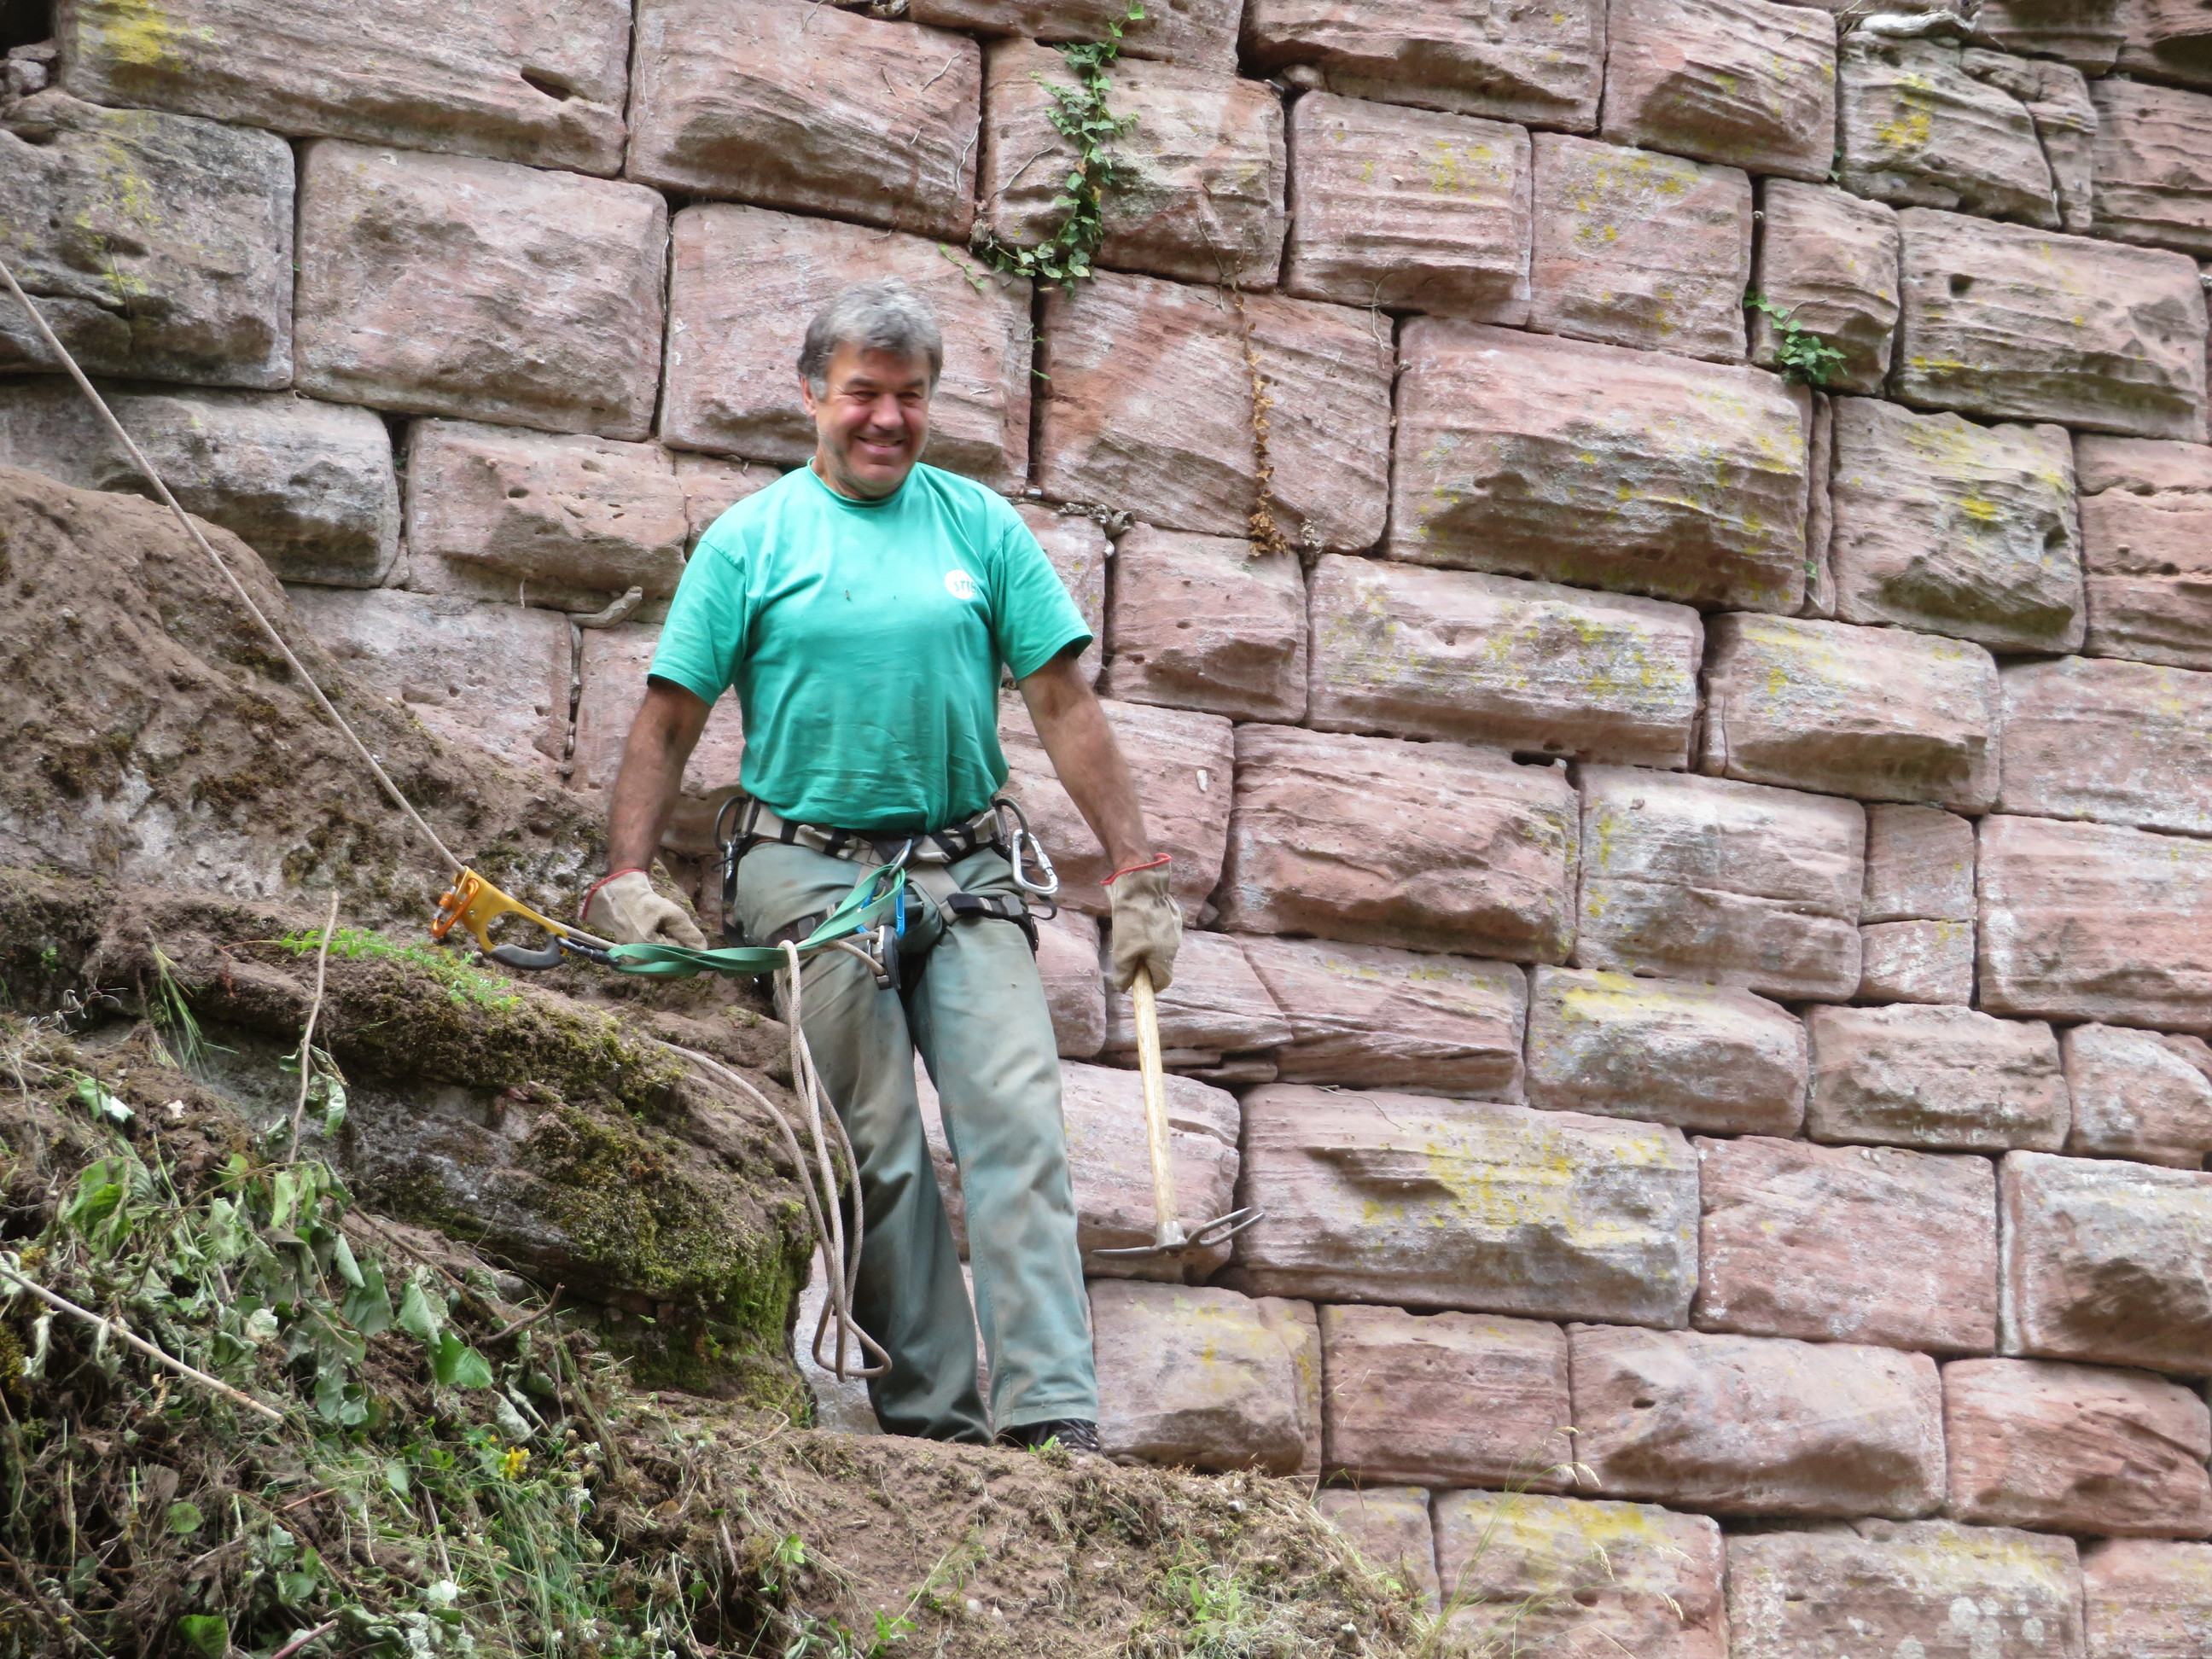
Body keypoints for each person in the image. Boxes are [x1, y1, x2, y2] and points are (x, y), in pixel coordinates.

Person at [584, 279, 1180, 1452]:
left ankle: (1053, 1417)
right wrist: (626, 877)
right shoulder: (752, 541)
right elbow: (668, 719)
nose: (888, 419)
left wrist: (1138, 868)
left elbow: (1063, 702)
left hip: (966, 870)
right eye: (864, 393)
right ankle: (936, 1430)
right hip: (807, 873)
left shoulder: (979, 529)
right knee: (879, 1154)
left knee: (1017, 1125)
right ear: (813, 394)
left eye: (911, 396)